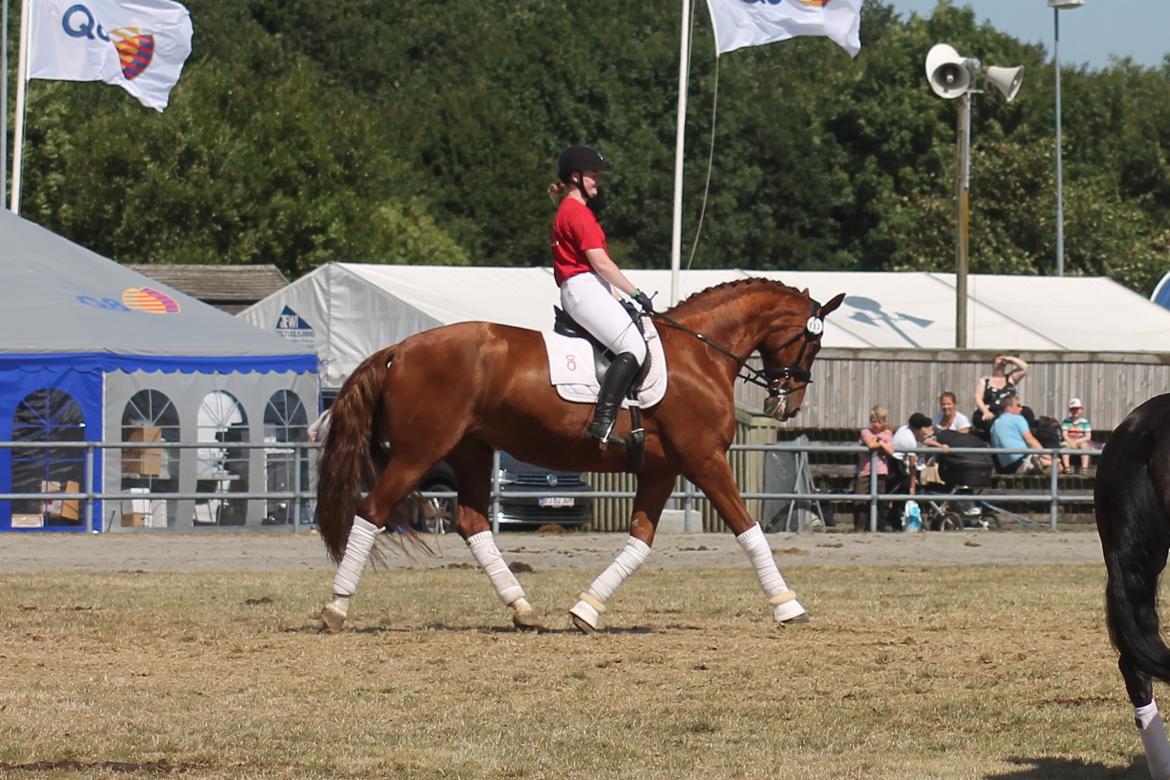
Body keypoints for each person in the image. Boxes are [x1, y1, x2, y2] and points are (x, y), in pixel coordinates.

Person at [549, 145, 655, 447]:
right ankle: (603, 422)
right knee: (634, 348)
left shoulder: (569, 211)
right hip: (583, 287)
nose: (598, 181)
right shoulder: (577, 214)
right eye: (593, 176)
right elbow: (602, 264)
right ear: (575, 177)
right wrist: (636, 293)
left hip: (586, 288)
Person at [854, 405, 895, 531]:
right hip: (865, 471)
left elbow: (891, 450)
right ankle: (860, 528)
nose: (876, 424)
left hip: (880, 471)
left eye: (880, 422)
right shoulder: (865, 432)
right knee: (861, 500)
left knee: (880, 501)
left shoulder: (887, 434)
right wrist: (882, 443)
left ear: (884, 422)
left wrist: (881, 442)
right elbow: (870, 444)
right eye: (874, 421)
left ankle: (879, 527)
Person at [989, 395, 1052, 474]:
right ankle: (1033, 464)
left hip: (1005, 467)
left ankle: (1035, 463)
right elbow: (1030, 441)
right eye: (1018, 405)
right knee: (1056, 465)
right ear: (1009, 408)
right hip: (1021, 459)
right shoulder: (1018, 419)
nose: (1021, 408)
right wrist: (1048, 455)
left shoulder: (995, 424)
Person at [892, 413, 949, 497]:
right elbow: (912, 466)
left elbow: (923, 440)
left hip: (898, 464)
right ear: (919, 429)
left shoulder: (904, 428)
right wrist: (912, 487)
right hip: (896, 468)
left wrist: (940, 446)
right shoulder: (910, 441)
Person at [972, 355, 1029, 435]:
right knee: (990, 420)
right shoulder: (985, 381)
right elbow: (978, 398)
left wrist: (1010, 359)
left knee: (1027, 411)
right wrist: (986, 412)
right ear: (993, 365)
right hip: (991, 412)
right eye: (997, 364)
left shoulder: (1010, 378)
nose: (1000, 367)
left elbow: (1025, 367)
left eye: (1002, 365)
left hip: (1009, 412)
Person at [1060, 397, 1094, 473]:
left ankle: (1084, 468)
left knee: (1085, 447)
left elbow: (1088, 437)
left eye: (1077, 409)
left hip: (1081, 440)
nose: (1075, 411)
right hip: (1069, 441)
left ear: (1081, 410)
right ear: (1070, 410)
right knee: (1064, 447)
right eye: (1073, 409)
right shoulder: (1066, 422)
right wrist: (1070, 442)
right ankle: (1067, 468)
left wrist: (1077, 442)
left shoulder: (1085, 422)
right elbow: (1064, 435)